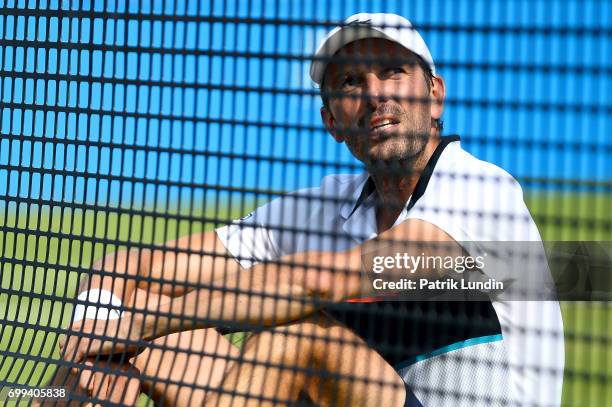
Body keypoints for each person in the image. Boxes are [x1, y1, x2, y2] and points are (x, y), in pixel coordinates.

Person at [55, 13, 564, 406]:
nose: (375, 95)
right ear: (331, 121)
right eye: (350, 84)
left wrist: (143, 318)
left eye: (392, 72)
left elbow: (329, 282)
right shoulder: (329, 203)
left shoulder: (479, 188)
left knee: (298, 333)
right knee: (148, 344)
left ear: (435, 96)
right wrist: (102, 312)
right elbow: (141, 269)